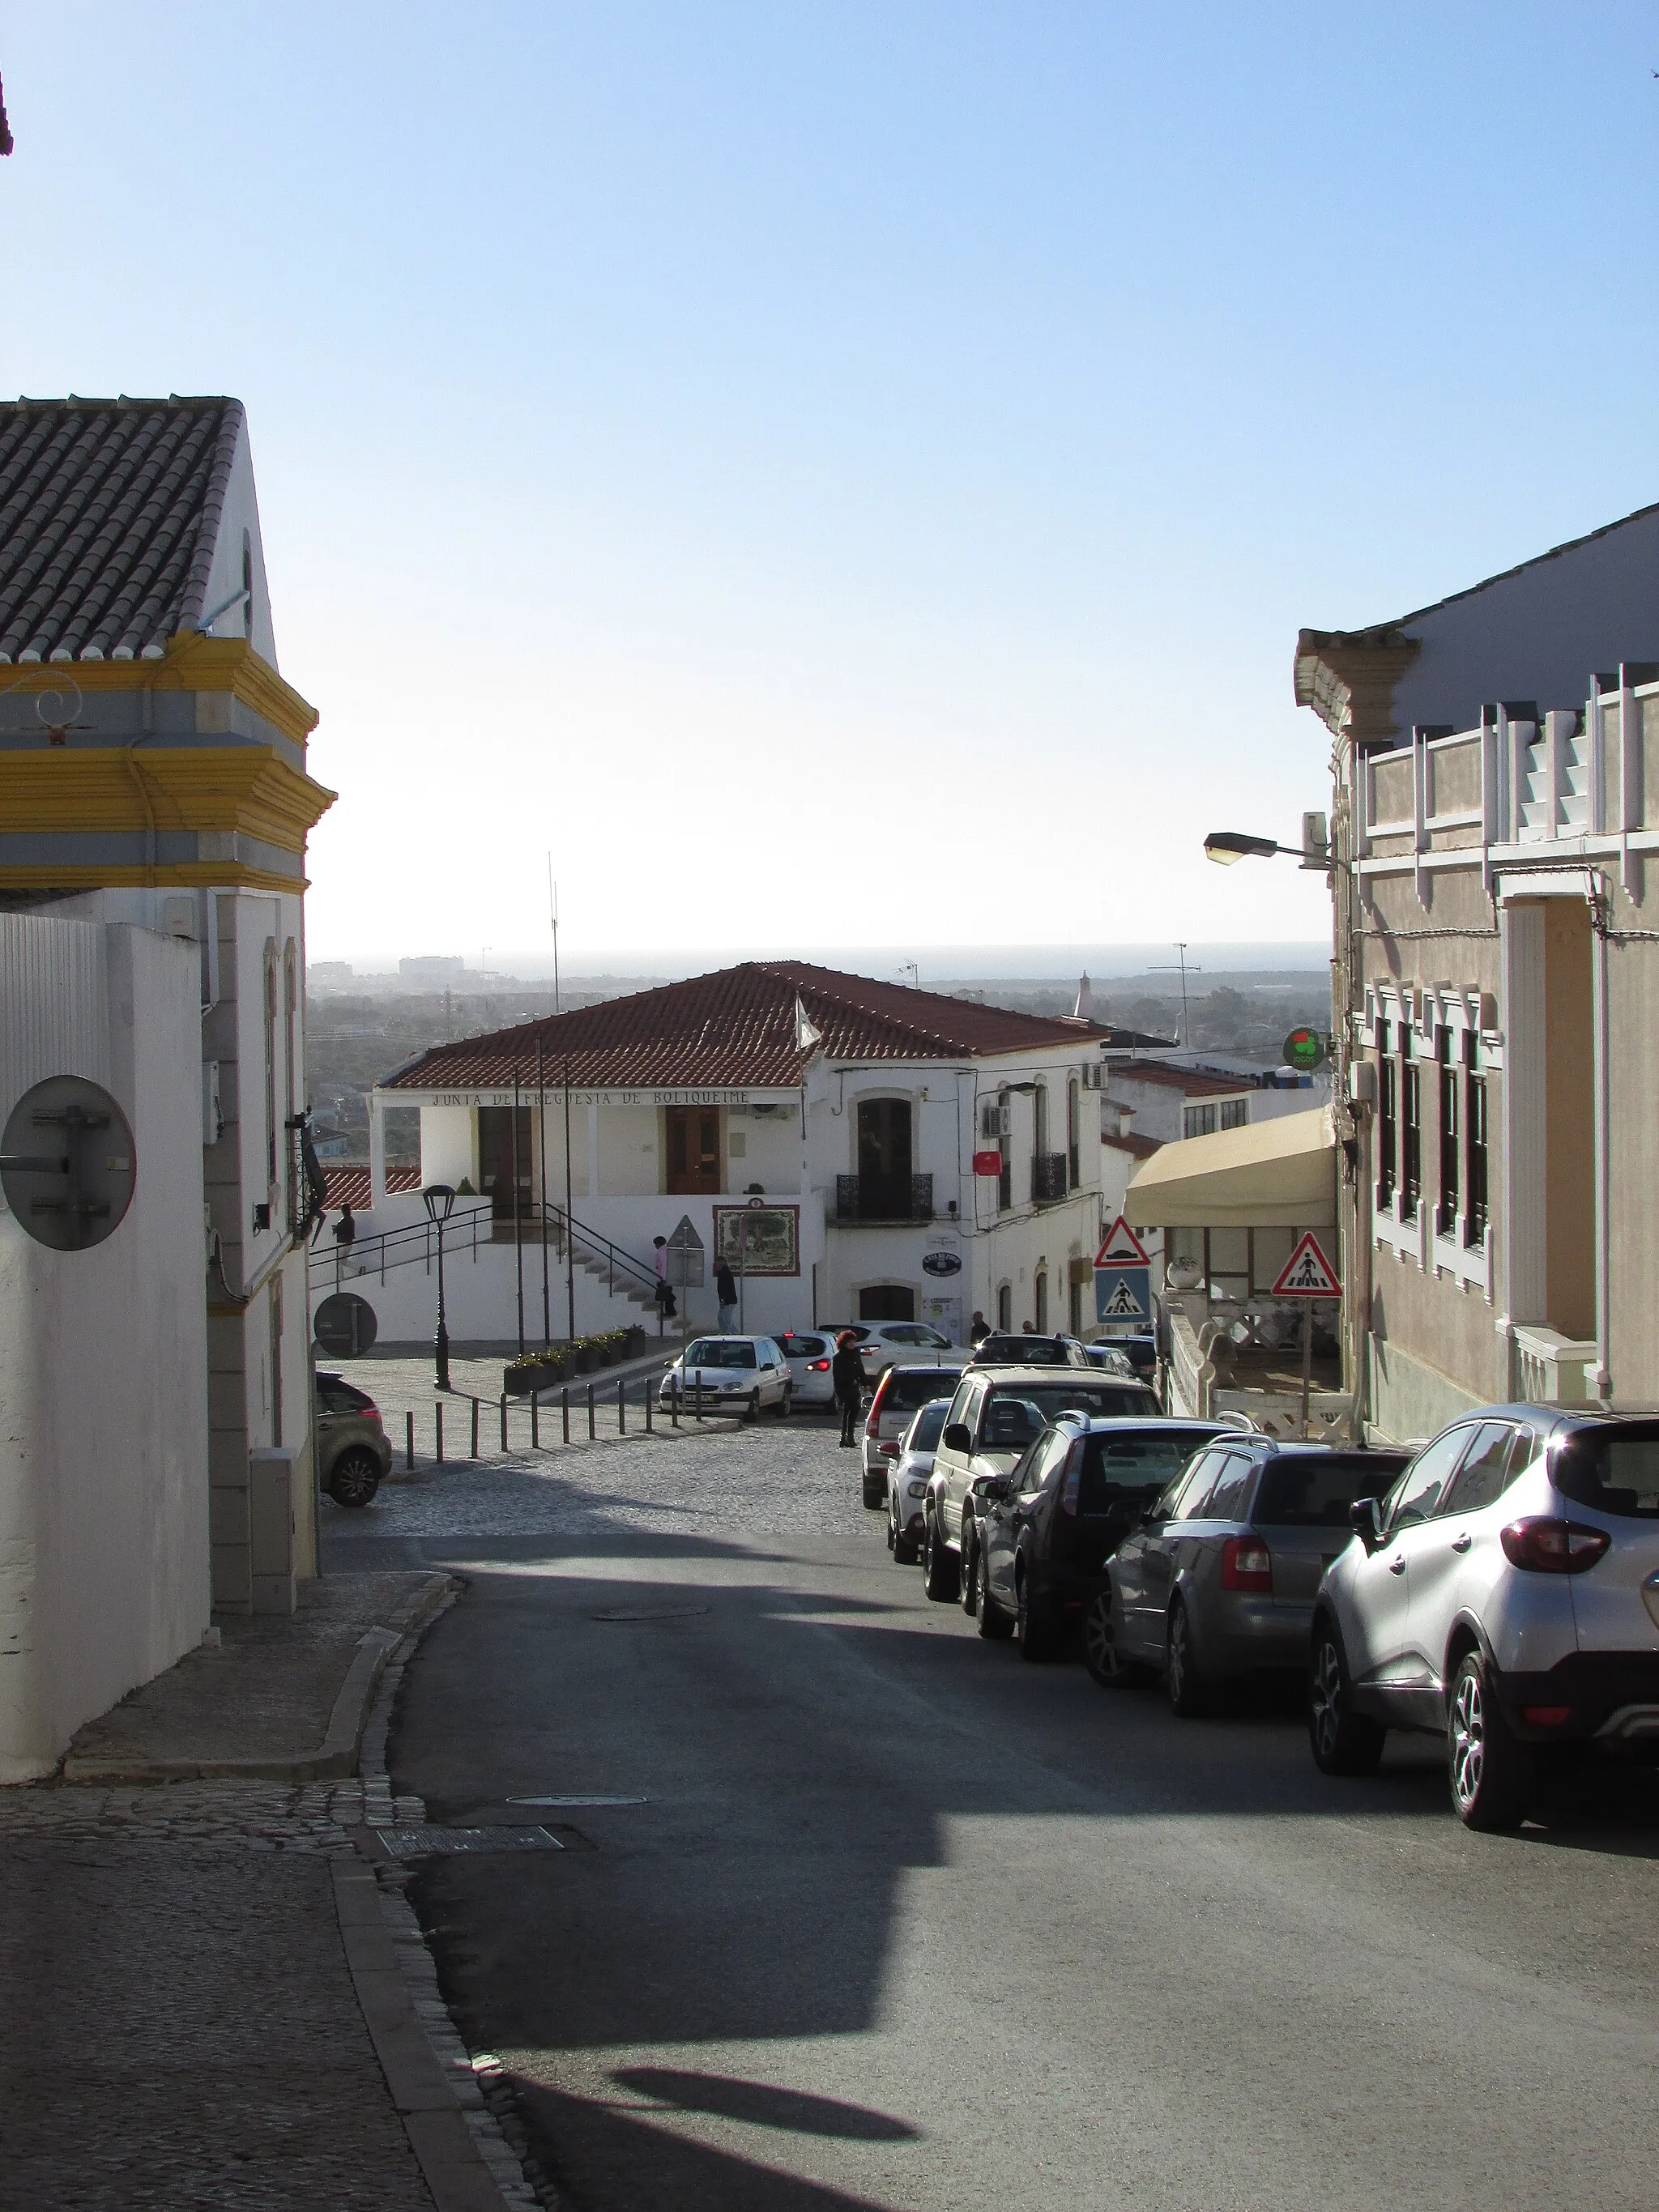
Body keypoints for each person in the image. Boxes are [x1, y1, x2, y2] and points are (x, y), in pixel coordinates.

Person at [832, 1329, 864, 1449]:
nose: (852, 1344)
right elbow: (838, 1375)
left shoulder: (855, 1354)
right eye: (849, 1342)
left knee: (854, 1410)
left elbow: (860, 1369)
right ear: (844, 1343)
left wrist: (865, 1382)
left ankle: (848, 1436)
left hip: (854, 1387)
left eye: (853, 1342)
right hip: (844, 1388)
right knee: (848, 1410)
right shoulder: (839, 1357)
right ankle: (846, 1437)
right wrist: (850, 1380)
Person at [652, 1234, 677, 1321]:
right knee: (666, 1294)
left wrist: (662, 1278)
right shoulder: (668, 1251)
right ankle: (670, 1311)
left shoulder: (661, 1252)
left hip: (663, 1277)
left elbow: (663, 1265)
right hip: (670, 1276)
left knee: (665, 1295)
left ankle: (671, 1311)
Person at [714, 1253, 738, 1331]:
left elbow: (724, 1288)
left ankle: (737, 1335)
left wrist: (722, 1300)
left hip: (728, 1301)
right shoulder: (724, 1272)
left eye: (717, 1263)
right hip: (729, 1300)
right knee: (722, 1318)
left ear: (721, 1263)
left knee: (725, 1319)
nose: (716, 1266)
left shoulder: (724, 1273)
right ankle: (724, 1333)